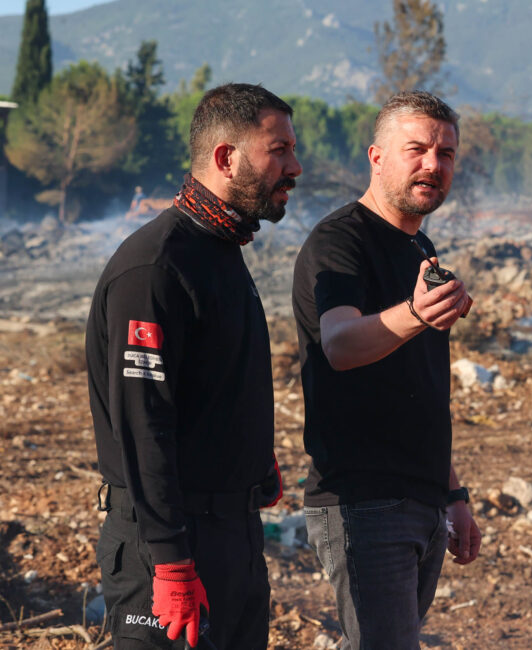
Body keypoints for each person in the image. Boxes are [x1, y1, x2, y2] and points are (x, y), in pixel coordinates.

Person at [86, 83, 301, 649]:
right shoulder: (155, 267)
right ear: (226, 158)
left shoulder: (222, 253)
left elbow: (212, 383)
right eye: (278, 150)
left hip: (234, 535)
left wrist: (255, 460)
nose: (294, 167)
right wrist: (172, 563)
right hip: (169, 545)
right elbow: (142, 426)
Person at [292, 90, 481, 649]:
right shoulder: (339, 242)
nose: (433, 164)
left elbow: (419, 390)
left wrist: (453, 494)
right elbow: (341, 344)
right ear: (376, 157)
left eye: (445, 154)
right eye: (417, 149)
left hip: (421, 500)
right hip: (363, 501)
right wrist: (417, 313)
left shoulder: (421, 247)